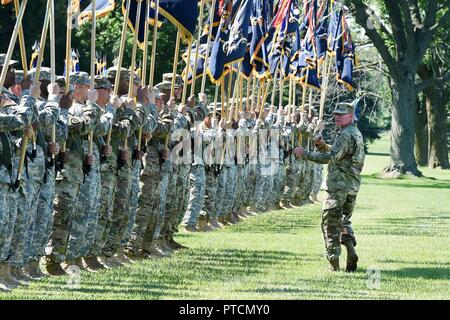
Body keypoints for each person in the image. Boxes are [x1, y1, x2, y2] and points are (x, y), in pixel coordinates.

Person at [293, 102, 365, 272]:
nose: (337, 117)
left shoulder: (346, 134)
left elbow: (330, 158)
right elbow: (339, 153)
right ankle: (351, 250)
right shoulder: (354, 133)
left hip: (338, 187)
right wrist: (321, 145)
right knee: (343, 222)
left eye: (341, 114)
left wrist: (305, 154)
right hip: (351, 186)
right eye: (335, 114)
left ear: (350, 116)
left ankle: (333, 263)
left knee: (330, 224)